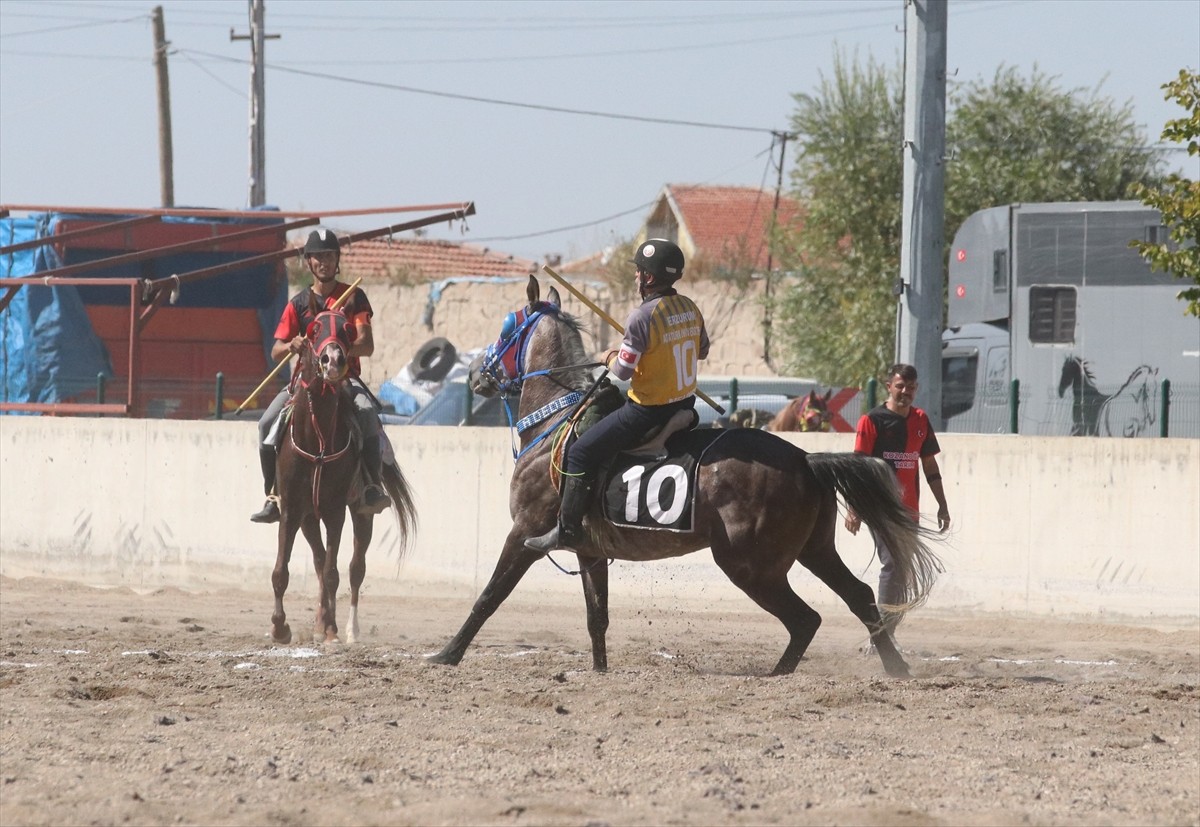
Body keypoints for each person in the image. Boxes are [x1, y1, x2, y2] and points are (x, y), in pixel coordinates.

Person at [525, 238, 710, 554]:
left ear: (649, 278)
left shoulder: (642, 316)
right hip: (685, 405)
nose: (636, 277)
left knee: (580, 452)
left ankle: (567, 531)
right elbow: (702, 350)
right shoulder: (689, 307)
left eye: (639, 272)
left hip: (647, 411)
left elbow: (623, 371)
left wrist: (607, 355)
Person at [250, 228, 390, 523]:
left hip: (344, 380)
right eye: (318, 257)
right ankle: (273, 496)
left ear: (337, 260)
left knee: (365, 413)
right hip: (305, 383)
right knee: (265, 425)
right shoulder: (298, 304)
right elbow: (276, 350)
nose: (324, 262)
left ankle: (372, 486)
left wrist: (338, 350)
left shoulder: (354, 297)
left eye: (330, 256)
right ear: (309, 262)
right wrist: (292, 344)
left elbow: (367, 345)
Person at [844, 363, 950, 630]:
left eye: (911, 388)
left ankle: (887, 631)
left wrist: (942, 505)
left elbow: (929, 466)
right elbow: (859, 466)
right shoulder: (872, 421)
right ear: (889, 386)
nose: (905, 392)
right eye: (900, 386)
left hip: (909, 511)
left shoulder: (921, 420)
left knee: (902, 570)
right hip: (880, 508)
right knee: (892, 564)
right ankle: (880, 635)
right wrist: (853, 507)